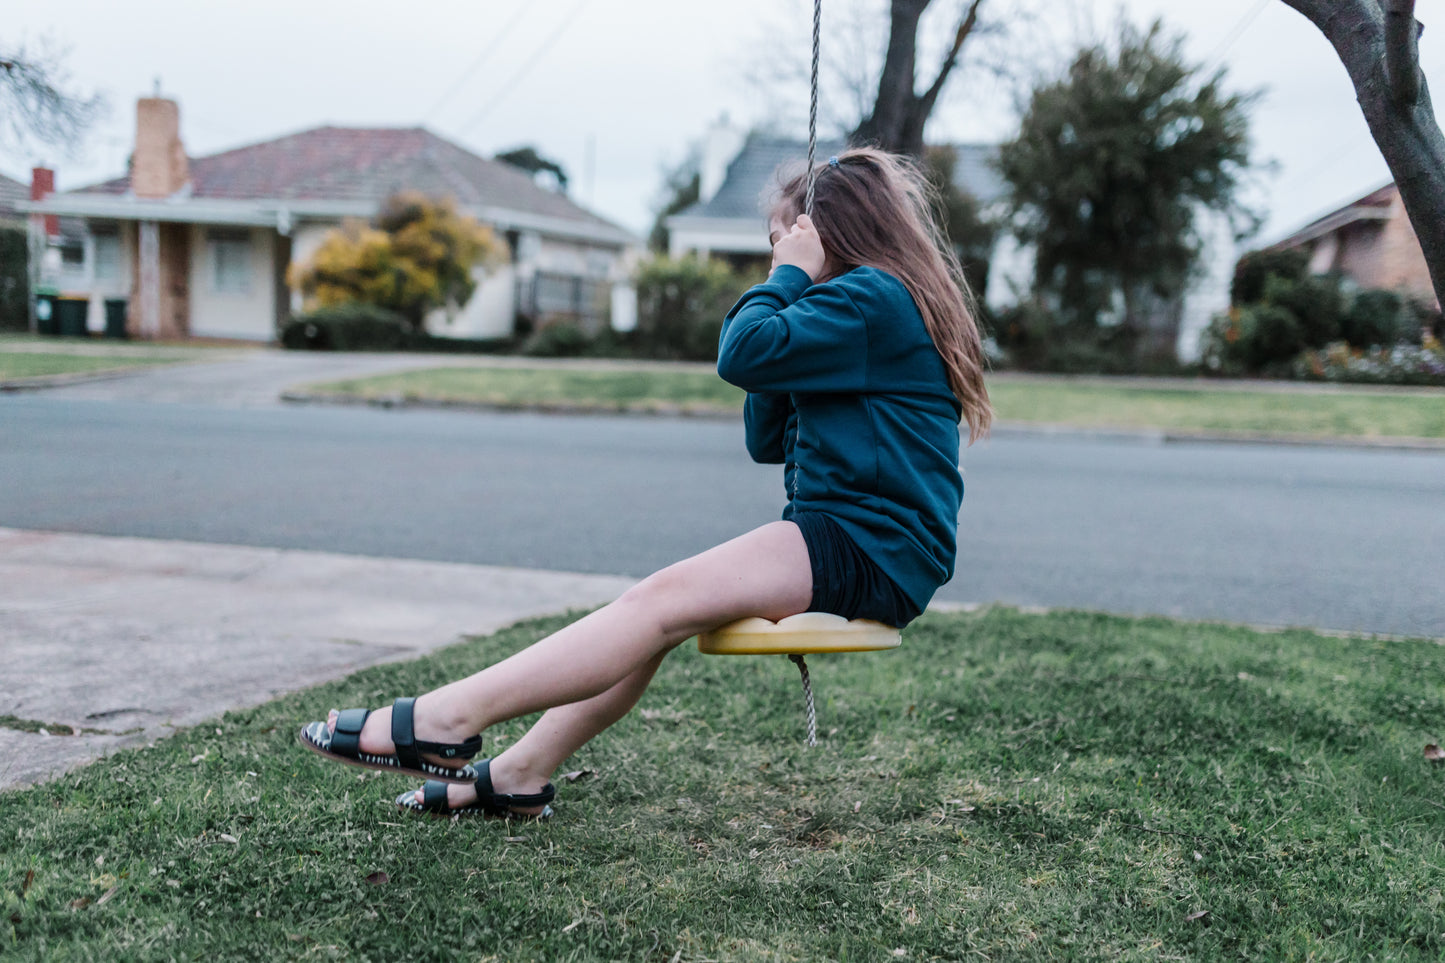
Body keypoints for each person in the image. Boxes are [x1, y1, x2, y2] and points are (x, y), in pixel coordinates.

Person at [298, 147, 993, 819]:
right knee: (661, 613)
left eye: (784, 240)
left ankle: (446, 717)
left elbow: (742, 351)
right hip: (860, 537)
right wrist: (788, 321)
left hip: (866, 541)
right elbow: (763, 438)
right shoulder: (855, 311)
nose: (776, 258)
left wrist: (785, 285)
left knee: (655, 600)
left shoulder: (873, 297)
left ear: (828, 234)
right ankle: (519, 773)